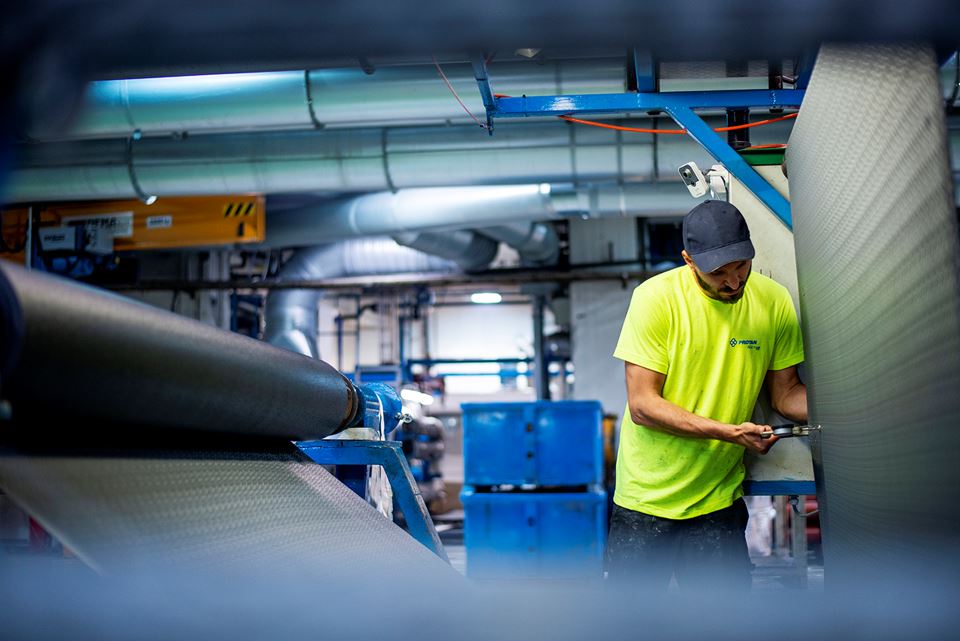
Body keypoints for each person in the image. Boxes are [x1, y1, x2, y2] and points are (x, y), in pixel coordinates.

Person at [607, 199, 808, 592]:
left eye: (741, 267)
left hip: (717, 501)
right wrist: (730, 433)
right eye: (718, 273)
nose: (733, 283)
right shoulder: (656, 300)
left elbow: (786, 397)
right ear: (688, 259)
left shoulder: (774, 302)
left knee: (724, 624)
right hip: (645, 501)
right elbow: (643, 406)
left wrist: (853, 407)